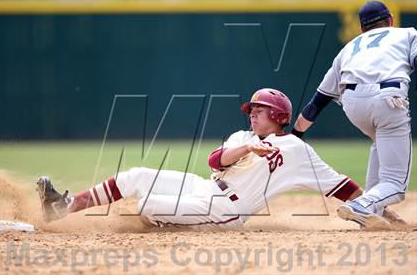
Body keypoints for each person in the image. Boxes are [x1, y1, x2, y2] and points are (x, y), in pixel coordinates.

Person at [39, 88, 390, 229]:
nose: (252, 114)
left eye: (260, 110)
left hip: (227, 211)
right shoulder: (243, 137)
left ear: (279, 117)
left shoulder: (299, 152)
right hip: (203, 188)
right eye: (251, 109)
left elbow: (343, 187)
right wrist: (248, 148)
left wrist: (377, 208)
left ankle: (166, 222)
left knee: (146, 204)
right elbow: (215, 161)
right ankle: (63, 207)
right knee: (135, 176)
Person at [292, 1, 415, 228]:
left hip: (353, 104)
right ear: (390, 21)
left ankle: (369, 214)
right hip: (388, 98)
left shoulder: (348, 49)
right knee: (396, 184)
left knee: (381, 142)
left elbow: (317, 103)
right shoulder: (408, 33)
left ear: (362, 29)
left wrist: (293, 136)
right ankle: (362, 205)